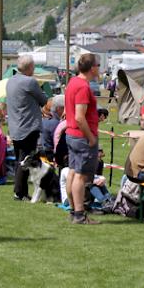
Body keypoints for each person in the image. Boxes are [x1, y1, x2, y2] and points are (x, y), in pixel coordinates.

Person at [64, 53, 101, 224]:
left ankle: (74, 211)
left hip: (71, 134)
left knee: (73, 172)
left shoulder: (72, 82)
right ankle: (79, 213)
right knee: (80, 175)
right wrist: (91, 138)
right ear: (92, 67)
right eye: (98, 65)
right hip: (81, 137)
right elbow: (80, 117)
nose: (99, 68)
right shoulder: (83, 87)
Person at [6, 55, 48, 201]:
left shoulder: (10, 81)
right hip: (28, 127)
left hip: (15, 126)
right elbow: (44, 100)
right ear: (30, 67)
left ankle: (20, 191)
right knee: (24, 160)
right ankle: (19, 193)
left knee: (20, 158)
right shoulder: (30, 81)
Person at [41, 95, 65, 159]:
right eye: (64, 107)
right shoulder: (55, 123)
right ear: (58, 109)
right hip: (52, 156)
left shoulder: (44, 121)